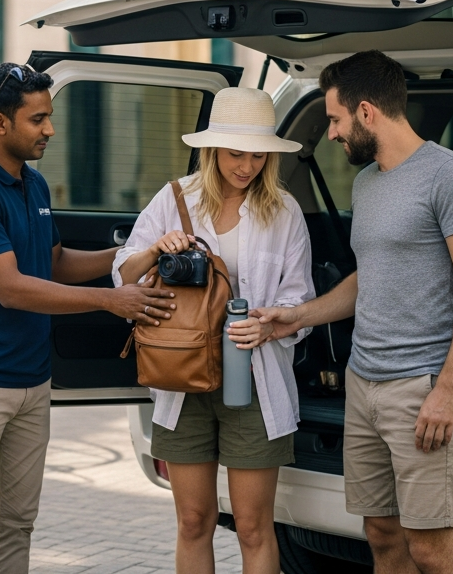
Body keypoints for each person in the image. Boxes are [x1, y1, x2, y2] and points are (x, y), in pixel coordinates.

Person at [0, 62, 179, 574]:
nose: (50, 130)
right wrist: (112, 300)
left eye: (51, 117)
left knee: (17, 521)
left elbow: (57, 261)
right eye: (38, 119)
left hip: (32, 381)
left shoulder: (34, 186)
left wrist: (135, 254)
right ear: (0, 123)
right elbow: (12, 288)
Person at [257, 50, 453, 574]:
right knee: (382, 534)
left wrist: (449, 388)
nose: (332, 134)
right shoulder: (367, 182)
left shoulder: (449, 177)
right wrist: (297, 316)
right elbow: (370, 277)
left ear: (366, 112)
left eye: (335, 119)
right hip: (363, 382)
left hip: (422, 385)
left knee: (431, 547)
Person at [113, 87, 314, 574]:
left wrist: (270, 325)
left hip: (256, 380)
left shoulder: (283, 212)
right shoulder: (175, 198)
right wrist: (157, 249)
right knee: (193, 520)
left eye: (257, 155)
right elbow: (124, 273)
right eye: (235, 153)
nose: (246, 166)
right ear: (213, 151)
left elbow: (299, 299)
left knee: (251, 526)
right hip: (181, 376)